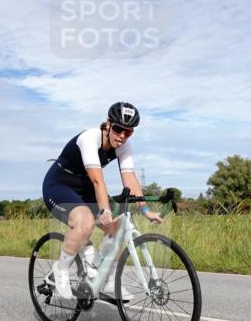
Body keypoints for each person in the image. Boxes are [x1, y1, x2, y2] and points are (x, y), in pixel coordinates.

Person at [42, 102, 163, 300]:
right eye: (118, 129)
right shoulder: (90, 138)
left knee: (116, 229)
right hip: (59, 185)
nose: (122, 136)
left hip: (86, 187)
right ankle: (60, 270)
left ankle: (105, 280)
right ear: (108, 124)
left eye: (128, 132)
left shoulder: (124, 146)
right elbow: (98, 180)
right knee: (85, 222)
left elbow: (130, 178)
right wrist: (104, 210)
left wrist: (145, 210)